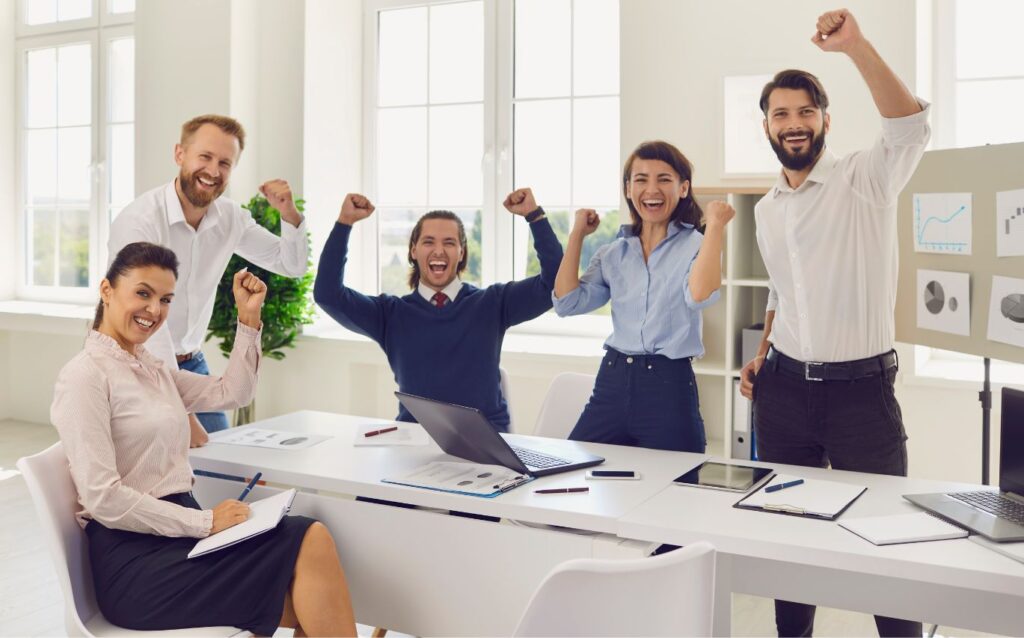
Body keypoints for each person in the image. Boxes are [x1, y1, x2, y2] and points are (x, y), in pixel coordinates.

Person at [50, 242, 357, 636]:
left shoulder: (151, 369)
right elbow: (103, 499)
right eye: (142, 293)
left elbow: (234, 392)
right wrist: (204, 521)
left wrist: (248, 319)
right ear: (107, 290)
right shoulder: (85, 376)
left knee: (306, 569)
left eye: (164, 299)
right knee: (307, 547)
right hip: (134, 562)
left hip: (178, 539)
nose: (154, 310)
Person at [738, 9, 930, 638]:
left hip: (861, 395)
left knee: (883, 542)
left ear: (825, 119)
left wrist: (856, 47)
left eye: (805, 111)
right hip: (784, 391)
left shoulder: (863, 181)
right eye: (780, 114)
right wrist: (764, 352)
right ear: (765, 125)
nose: (793, 124)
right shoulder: (767, 209)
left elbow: (909, 126)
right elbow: (781, 289)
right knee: (789, 543)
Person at [109, 114, 310, 437]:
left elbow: (290, 264)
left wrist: (289, 212)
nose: (214, 171)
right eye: (205, 156)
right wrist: (177, 408)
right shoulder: (140, 223)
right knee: (165, 472)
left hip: (192, 363)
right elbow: (143, 315)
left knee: (223, 464)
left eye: (225, 163)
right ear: (180, 154)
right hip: (138, 368)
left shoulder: (230, 218)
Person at [314, 189, 562, 432]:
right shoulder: (389, 314)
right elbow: (328, 294)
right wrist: (344, 223)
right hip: (413, 441)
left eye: (449, 243)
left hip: (486, 444)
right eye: (428, 242)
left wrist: (534, 216)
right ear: (414, 251)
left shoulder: (493, 303)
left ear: (461, 252)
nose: (439, 250)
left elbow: (555, 283)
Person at [553, 140, 734, 452]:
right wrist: (577, 235)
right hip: (611, 381)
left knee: (678, 487)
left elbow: (700, 295)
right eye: (641, 180)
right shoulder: (613, 253)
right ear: (628, 189)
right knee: (573, 470)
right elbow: (567, 303)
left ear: (683, 188)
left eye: (664, 179)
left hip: (668, 387)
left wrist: (715, 226)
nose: (652, 189)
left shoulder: (697, 245)